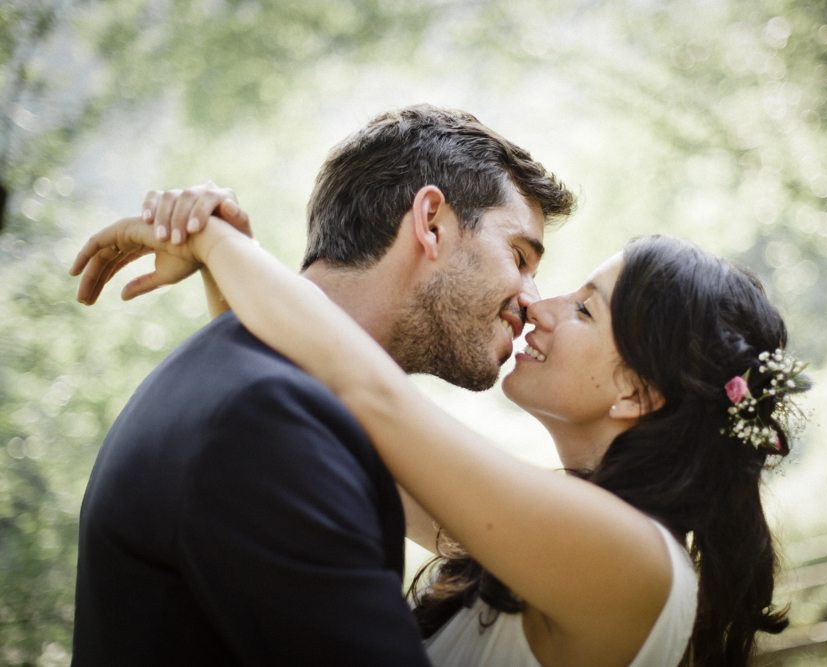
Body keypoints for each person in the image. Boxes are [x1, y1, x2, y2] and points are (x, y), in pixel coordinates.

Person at [73, 198, 809, 665]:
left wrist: (212, 241)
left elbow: (371, 393)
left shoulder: (631, 562)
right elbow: (326, 408)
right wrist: (222, 270)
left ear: (636, 392)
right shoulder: (547, 541)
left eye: (585, 308)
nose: (538, 305)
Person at [68, 105, 575, 665]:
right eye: (520, 256)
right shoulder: (270, 420)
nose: (532, 299)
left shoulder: (255, 376)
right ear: (431, 223)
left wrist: (224, 257)